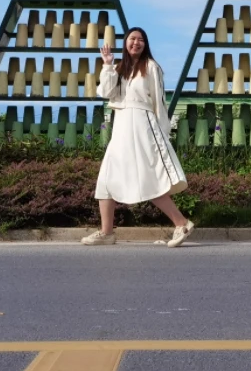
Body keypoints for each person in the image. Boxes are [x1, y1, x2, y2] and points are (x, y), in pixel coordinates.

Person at [80, 26, 195, 247]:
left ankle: (181, 224)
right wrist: (107, 65)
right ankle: (107, 232)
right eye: (132, 38)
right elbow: (106, 93)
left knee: (149, 177)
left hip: (143, 124)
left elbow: (159, 101)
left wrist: (162, 131)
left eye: (141, 39)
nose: (136, 42)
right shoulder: (119, 68)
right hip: (121, 125)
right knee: (106, 177)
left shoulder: (151, 66)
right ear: (125, 42)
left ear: (145, 44)